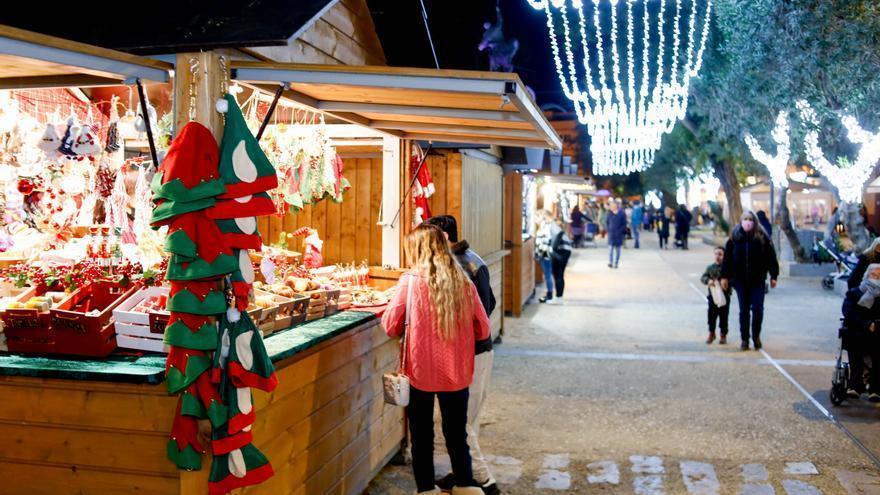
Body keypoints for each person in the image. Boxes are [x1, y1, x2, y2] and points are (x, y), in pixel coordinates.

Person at [382, 224, 491, 495]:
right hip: (457, 372)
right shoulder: (463, 281)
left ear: (417, 250)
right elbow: (483, 329)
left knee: (421, 436)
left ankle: (426, 489)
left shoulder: (409, 282)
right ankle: (465, 485)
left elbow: (390, 325)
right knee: (456, 434)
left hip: (420, 372)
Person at [424, 215, 500, 494]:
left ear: (443, 237)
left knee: (460, 422)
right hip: (481, 351)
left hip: (470, 353)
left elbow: (475, 313)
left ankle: (485, 481)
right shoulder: (472, 258)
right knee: (469, 420)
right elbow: (491, 303)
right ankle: (462, 474)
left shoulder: (458, 266)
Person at [721, 211, 780, 351]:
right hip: (740, 280)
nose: (748, 222)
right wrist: (724, 276)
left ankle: (756, 336)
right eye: (745, 219)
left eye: (750, 219)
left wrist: (774, 276)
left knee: (758, 308)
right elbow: (727, 258)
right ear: (741, 221)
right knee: (744, 310)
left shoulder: (762, 237)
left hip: (757, 280)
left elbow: (771, 257)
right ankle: (745, 339)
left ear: (755, 221)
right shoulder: (735, 238)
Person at [841, 263, 880, 402]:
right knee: (855, 350)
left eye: (879, 277)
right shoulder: (854, 293)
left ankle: (875, 389)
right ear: (867, 275)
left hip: (877, 334)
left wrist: (876, 324)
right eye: (873, 275)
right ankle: (855, 385)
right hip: (857, 332)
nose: (875, 279)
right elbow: (848, 312)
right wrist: (866, 324)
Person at [701, 246, 732, 345]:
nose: (717, 256)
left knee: (724, 316)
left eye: (720, 254)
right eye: (716, 254)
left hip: (724, 296)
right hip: (713, 296)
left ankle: (723, 334)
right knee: (711, 315)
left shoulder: (727, 267)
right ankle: (712, 332)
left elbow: (733, 279)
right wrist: (708, 281)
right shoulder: (710, 267)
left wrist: (727, 283)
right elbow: (703, 277)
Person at [535, 210, 556, 303]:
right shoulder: (546, 226)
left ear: (542, 217)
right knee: (548, 275)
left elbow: (546, 241)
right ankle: (549, 293)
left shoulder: (545, 227)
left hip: (545, 254)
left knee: (548, 275)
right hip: (545, 254)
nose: (535, 219)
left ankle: (550, 294)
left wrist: (539, 253)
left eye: (536, 217)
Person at [606, 200, 627, 268]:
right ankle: (610, 262)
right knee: (610, 250)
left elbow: (624, 224)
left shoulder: (621, 214)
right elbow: (607, 222)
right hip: (611, 234)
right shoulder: (609, 213)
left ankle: (616, 263)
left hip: (618, 235)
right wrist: (608, 229)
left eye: (612, 205)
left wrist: (620, 231)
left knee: (618, 250)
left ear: (616, 206)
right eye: (610, 206)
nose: (611, 207)